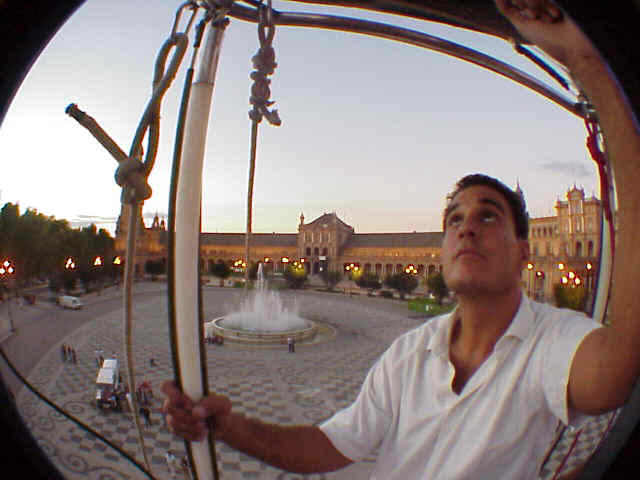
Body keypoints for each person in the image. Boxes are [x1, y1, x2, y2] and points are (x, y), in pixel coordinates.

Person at [161, 1, 640, 478]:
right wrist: (228, 426)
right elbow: (328, 446)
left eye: (488, 216)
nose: (466, 227)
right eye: (453, 220)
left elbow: (618, 372)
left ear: (523, 251)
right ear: (442, 250)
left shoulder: (551, 342)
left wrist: (590, 64)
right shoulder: (410, 353)